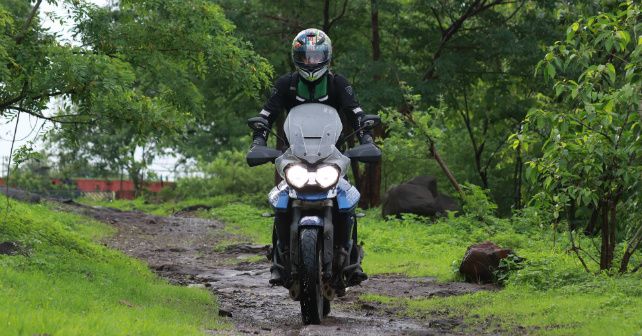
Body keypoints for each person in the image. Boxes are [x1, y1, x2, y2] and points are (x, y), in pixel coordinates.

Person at [250, 28, 373, 287]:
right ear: (296, 57)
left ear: (326, 57)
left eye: (316, 57)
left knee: (346, 196)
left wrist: (367, 139)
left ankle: (348, 255)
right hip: (295, 153)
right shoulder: (286, 84)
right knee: (280, 198)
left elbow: (356, 113)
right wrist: (258, 140)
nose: (311, 62)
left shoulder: (339, 83)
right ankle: (279, 258)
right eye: (305, 57)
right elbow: (266, 115)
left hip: (330, 153)